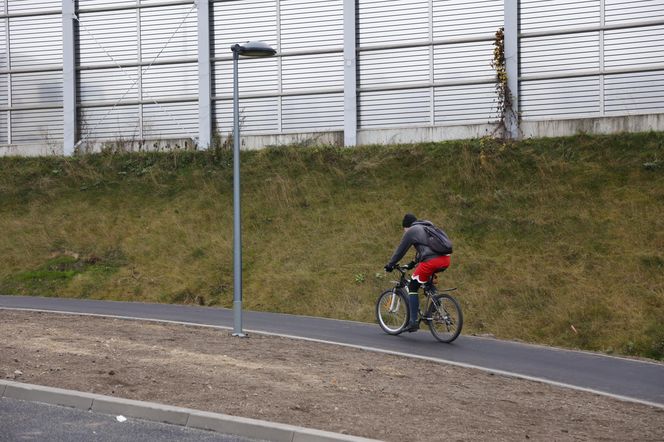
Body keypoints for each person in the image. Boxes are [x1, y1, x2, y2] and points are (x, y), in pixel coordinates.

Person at [384, 213, 451, 332]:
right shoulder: (426, 226)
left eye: (404, 229)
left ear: (406, 226)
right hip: (445, 259)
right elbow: (425, 251)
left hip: (432, 261)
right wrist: (411, 264)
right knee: (426, 282)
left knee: (413, 286)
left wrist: (390, 264)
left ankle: (413, 322)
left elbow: (400, 250)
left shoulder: (411, 231)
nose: (404, 232)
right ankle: (436, 306)